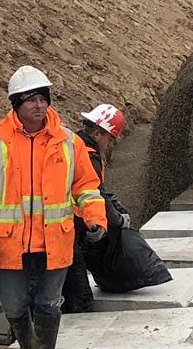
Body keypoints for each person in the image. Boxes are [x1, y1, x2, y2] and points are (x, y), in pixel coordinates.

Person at [0, 65, 106, 349]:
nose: (39, 105)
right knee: (14, 304)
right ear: (16, 104)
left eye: (43, 98)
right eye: (30, 100)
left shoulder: (68, 143)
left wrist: (94, 218)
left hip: (54, 242)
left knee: (49, 303)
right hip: (9, 244)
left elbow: (86, 187)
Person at [64, 103, 173, 315]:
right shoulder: (87, 155)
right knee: (79, 299)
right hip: (66, 233)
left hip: (64, 229)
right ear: (97, 133)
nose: (111, 144)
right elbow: (94, 195)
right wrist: (117, 221)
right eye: (111, 138)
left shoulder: (73, 145)